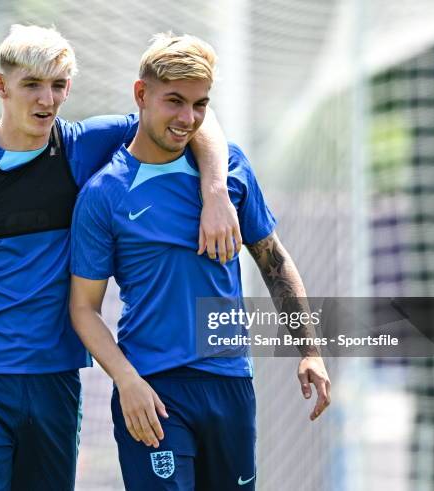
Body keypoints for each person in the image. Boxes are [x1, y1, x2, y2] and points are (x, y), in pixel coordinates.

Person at [0, 25, 241, 491]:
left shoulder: (81, 147)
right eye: (32, 85)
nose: (47, 99)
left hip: (55, 381)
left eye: (58, 85)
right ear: (1, 87)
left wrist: (216, 191)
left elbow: (192, 118)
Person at [69, 33, 331, 490]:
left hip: (230, 381)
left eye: (200, 104)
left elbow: (274, 262)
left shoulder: (230, 172)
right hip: (154, 388)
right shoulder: (104, 194)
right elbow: (83, 308)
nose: (187, 118)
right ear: (141, 95)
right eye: (174, 101)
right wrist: (126, 381)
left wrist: (309, 350)